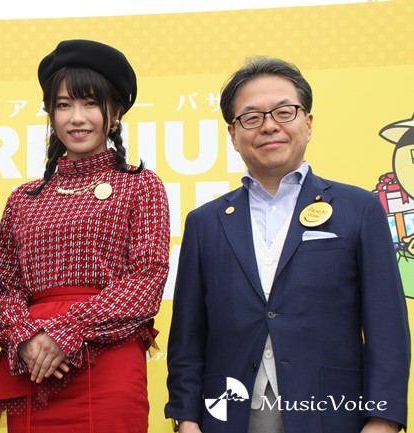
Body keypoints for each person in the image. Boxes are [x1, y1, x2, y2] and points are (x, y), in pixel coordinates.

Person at [165, 56, 410, 433]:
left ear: (307, 123)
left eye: (284, 112)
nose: (269, 126)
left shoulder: (360, 209)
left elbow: (387, 326)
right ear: (233, 134)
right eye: (252, 117)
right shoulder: (205, 223)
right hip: (228, 416)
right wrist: (186, 419)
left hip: (331, 413)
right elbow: (187, 337)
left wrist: (383, 421)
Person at [0, 39, 170, 433]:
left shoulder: (141, 185)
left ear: (114, 113)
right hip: (36, 364)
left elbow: (147, 279)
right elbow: (3, 286)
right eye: (64, 105)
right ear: (50, 114)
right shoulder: (24, 198)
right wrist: (25, 340)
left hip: (109, 361)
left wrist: (67, 331)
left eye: (90, 104)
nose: (76, 118)